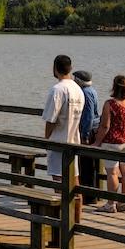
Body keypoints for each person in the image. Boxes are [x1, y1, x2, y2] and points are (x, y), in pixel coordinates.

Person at [42, 54, 85, 224]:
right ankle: (77, 221)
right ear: (71, 68)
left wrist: (46, 139)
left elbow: (50, 119)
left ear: (55, 68)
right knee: (74, 182)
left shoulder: (57, 89)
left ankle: (62, 222)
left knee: (59, 184)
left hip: (59, 141)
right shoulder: (77, 89)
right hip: (74, 141)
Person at [93, 75, 125, 213]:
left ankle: (110, 204)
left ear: (114, 87)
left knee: (112, 172)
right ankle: (123, 203)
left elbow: (105, 126)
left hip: (112, 142)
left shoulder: (110, 104)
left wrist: (97, 142)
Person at [74, 70, 102, 205]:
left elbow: (89, 116)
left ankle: (89, 196)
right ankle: (93, 194)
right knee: (91, 164)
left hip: (89, 131)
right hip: (94, 129)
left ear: (79, 81)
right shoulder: (92, 90)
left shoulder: (85, 93)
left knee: (86, 165)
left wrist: (84, 136)